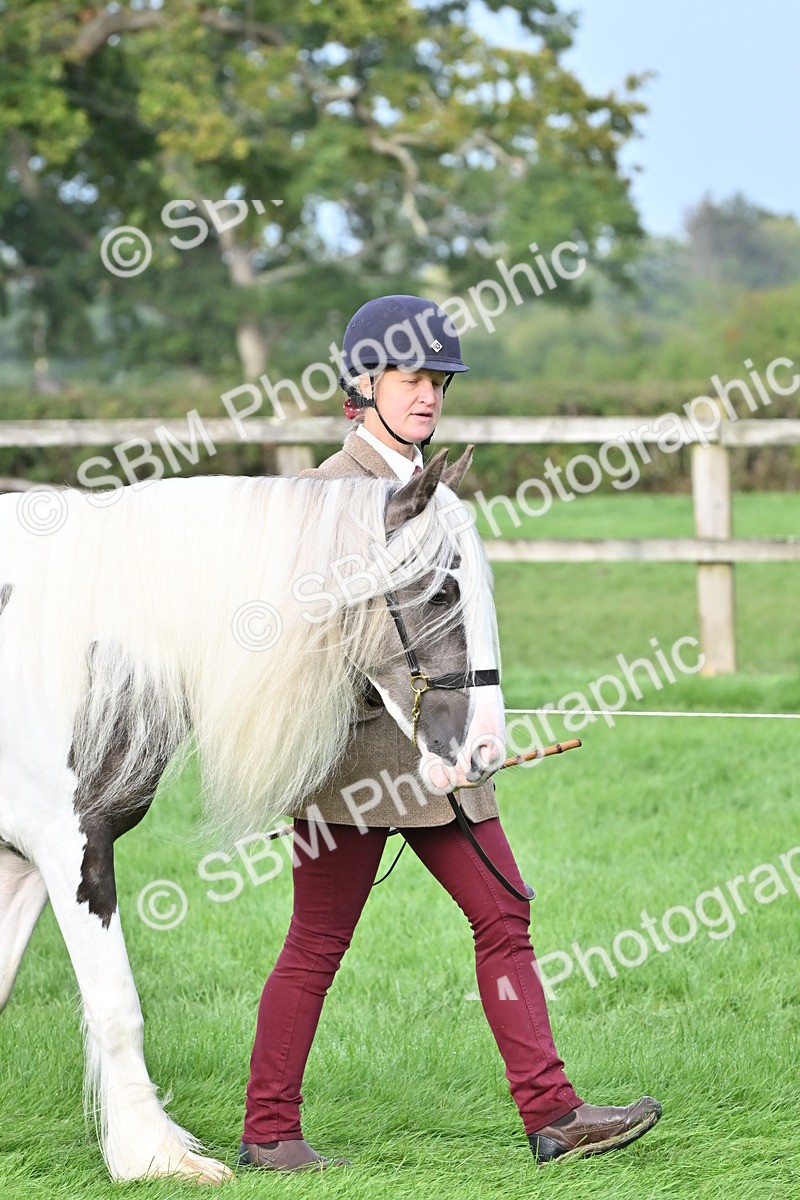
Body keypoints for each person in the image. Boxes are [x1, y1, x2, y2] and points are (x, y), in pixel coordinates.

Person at [237, 295, 662, 1172]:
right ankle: (270, 1131)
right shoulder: (323, 496)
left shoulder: (436, 493)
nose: (429, 395)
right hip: (355, 767)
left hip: (448, 760)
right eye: (412, 378)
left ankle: (553, 1116)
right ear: (363, 383)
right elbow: (299, 649)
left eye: (438, 380)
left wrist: (477, 726)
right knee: (317, 944)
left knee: (504, 910)